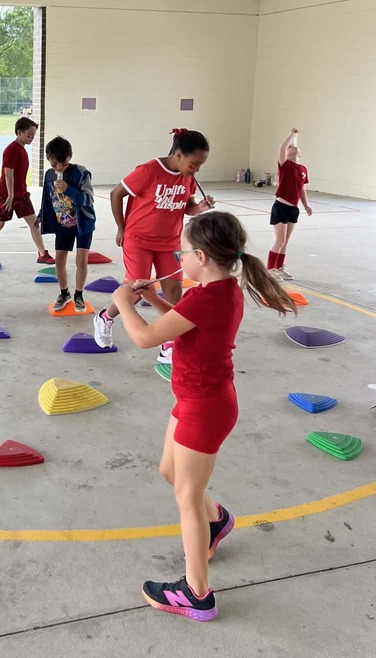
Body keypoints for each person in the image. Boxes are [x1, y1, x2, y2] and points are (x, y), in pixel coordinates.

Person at [112, 210, 296, 621]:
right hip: (197, 399)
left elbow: (143, 338)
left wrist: (124, 303)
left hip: (205, 407)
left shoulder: (206, 297)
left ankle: (197, 593)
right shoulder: (221, 290)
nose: (179, 256)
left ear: (201, 256)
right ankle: (216, 521)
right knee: (169, 471)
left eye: (182, 251)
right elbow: (184, 325)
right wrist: (153, 298)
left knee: (186, 497)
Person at [93, 129, 214, 352]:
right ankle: (105, 317)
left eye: (199, 166)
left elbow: (188, 207)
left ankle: (171, 343)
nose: (196, 169)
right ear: (179, 155)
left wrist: (200, 208)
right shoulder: (148, 171)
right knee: (137, 290)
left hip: (169, 242)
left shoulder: (189, 179)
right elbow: (116, 194)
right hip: (138, 238)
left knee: (174, 291)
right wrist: (121, 228)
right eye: (194, 163)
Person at [0, 117, 55, 266]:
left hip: (21, 195)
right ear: (19, 132)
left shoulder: (22, 149)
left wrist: (19, 193)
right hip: (6, 195)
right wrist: (10, 195)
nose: (32, 138)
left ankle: (42, 253)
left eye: (33, 135)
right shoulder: (11, 150)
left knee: (34, 223)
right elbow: (8, 173)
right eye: (29, 135)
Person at [37, 136, 95, 312]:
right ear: (48, 160)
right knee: (59, 260)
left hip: (82, 223)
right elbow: (47, 197)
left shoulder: (80, 173)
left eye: (63, 163)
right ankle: (64, 293)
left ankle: (79, 294)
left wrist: (68, 189)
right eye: (55, 164)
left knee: (81, 260)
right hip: (62, 223)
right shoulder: (48, 175)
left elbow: (88, 199)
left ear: (70, 157)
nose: (59, 167)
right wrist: (41, 213)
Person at [267, 129, 312, 281]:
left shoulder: (303, 169)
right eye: (289, 147)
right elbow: (281, 148)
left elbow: (302, 189)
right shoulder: (285, 165)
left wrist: (306, 206)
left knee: (285, 242)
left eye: (293, 146)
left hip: (294, 208)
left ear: (299, 154)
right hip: (281, 207)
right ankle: (270, 269)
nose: (291, 147)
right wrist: (292, 135)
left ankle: (280, 268)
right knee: (279, 240)